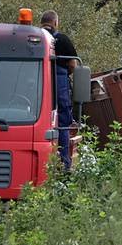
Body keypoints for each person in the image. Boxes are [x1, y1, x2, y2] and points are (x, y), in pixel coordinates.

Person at [45, 10, 79, 168]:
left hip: (34, 87)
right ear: (55, 22)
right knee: (63, 122)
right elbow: (73, 64)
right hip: (59, 85)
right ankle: (64, 163)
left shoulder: (32, 37)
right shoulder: (62, 39)